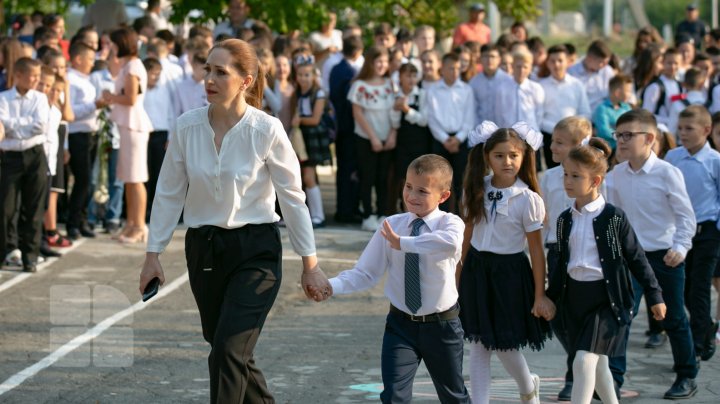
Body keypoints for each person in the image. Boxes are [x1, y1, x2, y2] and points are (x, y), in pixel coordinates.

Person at [139, 38, 330, 404]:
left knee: (227, 351)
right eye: (207, 69)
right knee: (228, 349)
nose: (208, 78)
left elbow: (293, 199)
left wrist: (311, 265)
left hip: (256, 252)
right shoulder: (186, 126)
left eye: (220, 72)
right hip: (204, 250)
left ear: (246, 80)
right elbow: (168, 193)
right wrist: (153, 254)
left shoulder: (267, 129)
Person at [326, 154, 470, 403]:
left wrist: (403, 243)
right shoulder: (392, 225)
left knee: (453, 396)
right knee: (393, 396)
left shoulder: (450, 223)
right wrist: (330, 286)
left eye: (422, 191)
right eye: (408, 186)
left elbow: (449, 244)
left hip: (442, 327)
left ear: (443, 196)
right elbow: (366, 272)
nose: (412, 196)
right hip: (400, 325)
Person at [547, 138, 666, 404]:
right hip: (575, 299)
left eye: (576, 176)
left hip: (607, 300)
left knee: (583, 360)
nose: (567, 181)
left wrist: (655, 295)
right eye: (566, 174)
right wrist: (547, 298)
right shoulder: (564, 219)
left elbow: (636, 258)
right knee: (597, 361)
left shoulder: (614, 217)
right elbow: (558, 262)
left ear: (596, 181)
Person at [605, 109, 699, 399]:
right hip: (631, 259)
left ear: (649, 139)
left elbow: (686, 217)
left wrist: (680, 247)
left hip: (665, 257)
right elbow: (612, 218)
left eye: (628, 135)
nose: (621, 141)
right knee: (622, 318)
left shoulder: (667, 173)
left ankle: (686, 375)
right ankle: (613, 382)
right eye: (618, 135)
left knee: (673, 318)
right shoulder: (615, 174)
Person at [458, 121, 553, 404]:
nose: (507, 161)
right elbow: (466, 235)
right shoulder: (475, 189)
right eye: (499, 155)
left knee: (504, 342)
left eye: (513, 155)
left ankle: (527, 387)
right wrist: (455, 278)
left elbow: (536, 251)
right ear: (487, 156)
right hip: (476, 270)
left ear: (524, 157)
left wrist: (539, 294)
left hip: (510, 274)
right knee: (478, 344)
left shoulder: (528, 199)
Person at [539, 116, 593, 401]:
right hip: (556, 250)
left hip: (584, 250)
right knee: (558, 314)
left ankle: (577, 376)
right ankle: (581, 363)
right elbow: (544, 219)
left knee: (581, 313)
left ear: (577, 145)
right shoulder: (548, 177)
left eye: (559, 143)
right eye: (552, 141)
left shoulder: (592, 175)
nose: (552, 147)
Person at [666, 105, 720, 361]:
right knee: (684, 289)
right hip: (679, 233)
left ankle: (700, 343)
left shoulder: (715, 161)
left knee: (699, 287)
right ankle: (706, 325)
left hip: (707, 232)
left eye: (690, 129)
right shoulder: (673, 157)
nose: (683, 133)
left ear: (706, 130)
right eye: (680, 128)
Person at [102, 27, 154, 244]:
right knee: (129, 178)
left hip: (134, 126)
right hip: (128, 126)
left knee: (136, 178)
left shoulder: (133, 66)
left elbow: (131, 98)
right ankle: (132, 223)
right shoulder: (128, 65)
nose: (111, 47)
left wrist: (111, 97)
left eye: (113, 43)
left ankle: (139, 225)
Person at [0, 57, 50, 272]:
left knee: (33, 207)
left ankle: (30, 254)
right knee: (6, 207)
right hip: (10, 157)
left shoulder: (40, 98)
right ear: (18, 75)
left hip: (34, 155)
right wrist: (21, 126)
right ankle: (7, 250)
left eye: (38, 76)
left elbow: (40, 126)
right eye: (33, 75)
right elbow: (2, 123)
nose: (36, 80)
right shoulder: (3, 98)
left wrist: (13, 126)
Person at [347, 45, 396, 232]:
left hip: (387, 138)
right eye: (378, 61)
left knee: (384, 178)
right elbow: (357, 113)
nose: (382, 65)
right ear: (371, 62)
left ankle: (383, 213)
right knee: (367, 177)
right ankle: (368, 215)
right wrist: (373, 138)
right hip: (366, 138)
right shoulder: (360, 85)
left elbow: (395, 111)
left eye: (385, 61)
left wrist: (392, 134)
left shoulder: (391, 83)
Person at [425, 52, 474, 213]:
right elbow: (431, 118)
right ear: (443, 69)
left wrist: (458, 139)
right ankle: (440, 217)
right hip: (440, 140)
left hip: (461, 140)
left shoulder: (466, 90)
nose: (454, 72)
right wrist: (445, 139)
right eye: (451, 68)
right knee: (440, 182)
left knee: (461, 182)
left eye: (457, 68)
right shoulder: (433, 90)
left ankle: (461, 219)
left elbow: (469, 118)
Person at [67, 42, 106, 240]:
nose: (93, 63)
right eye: (90, 59)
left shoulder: (86, 79)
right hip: (77, 135)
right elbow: (70, 112)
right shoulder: (70, 80)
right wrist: (94, 105)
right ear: (77, 59)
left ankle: (81, 220)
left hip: (91, 133)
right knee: (83, 181)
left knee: (88, 181)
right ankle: (72, 222)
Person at [329, 35, 364, 224]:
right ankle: (347, 209)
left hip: (341, 126)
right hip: (349, 127)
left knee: (345, 169)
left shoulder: (336, 69)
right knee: (349, 170)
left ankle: (345, 208)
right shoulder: (349, 72)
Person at [292, 57, 330, 228]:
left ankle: (318, 216)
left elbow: (315, 119)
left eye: (307, 75)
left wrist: (298, 120)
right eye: (300, 74)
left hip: (313, 136)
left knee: (309, 176)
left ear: (314, 76)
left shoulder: (319, 93)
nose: (303, 78)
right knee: (304, 176)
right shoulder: (297, 93)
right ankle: (312, 214)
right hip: (301, 137)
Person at [539, 45, 591, 170]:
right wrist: (557, 132)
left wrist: (575, 130)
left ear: (568, 62)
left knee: (575, 171)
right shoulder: (541, 86)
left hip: (574, 138)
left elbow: (585, 112)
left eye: (560, 60)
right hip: (550, 137)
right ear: (547, 63)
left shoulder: (577, 85)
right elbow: (538, 116)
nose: (556, 65)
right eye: (552, 61)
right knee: (553, 172)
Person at [390, 63, 431, 212]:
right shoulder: (396, 95)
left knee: (421, 178)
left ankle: (421, 210)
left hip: (420, 143)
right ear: (400, 77)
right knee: (403, 178)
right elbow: (394, 122)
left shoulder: (422, 94)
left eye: (414, 76)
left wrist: (407, 110)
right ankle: (407, 212)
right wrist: (396, 109)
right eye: (407, 75)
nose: (411, 79)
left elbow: (423, 120)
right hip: (402, 143)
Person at [143, 57, 174, 222]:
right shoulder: (139, 91)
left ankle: (156, 211)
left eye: (158, 74)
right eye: (153, 74)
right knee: (144, 174)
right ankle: (144, 209)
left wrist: (170, 136)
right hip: (143, 135)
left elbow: (171, 114)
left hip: (161, 135)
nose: (155, 77)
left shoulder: (164, 90)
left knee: (158, 174)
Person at [495, 50, 544, 132]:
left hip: (530, 134)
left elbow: (539, 114)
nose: (521, 70)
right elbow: (499, 115)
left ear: (530, 68)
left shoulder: (536, 88)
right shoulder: (502, 88)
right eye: (518, 66)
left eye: (525, 67)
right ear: (513, 66)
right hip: (509, 134)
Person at [469, 44, 512, 125]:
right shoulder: (474, 82)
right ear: (480, 59)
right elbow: (472, 110)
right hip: (480, 130)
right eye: (485, 56)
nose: (489, 60)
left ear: (499, 59)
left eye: (492, 56)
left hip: (504, 130)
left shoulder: (508, 81)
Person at [568, 40, 615, 112]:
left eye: (606, 62)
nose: (605, 65)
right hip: (580, 116)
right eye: (602, 62)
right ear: (589, 58)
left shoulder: (607, 71)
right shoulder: (572, 72)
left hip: (603, 115)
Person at [641, 48, 683, 127]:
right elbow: (646, 115)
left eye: (676, 63)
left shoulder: (679, 85)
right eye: (669, 63)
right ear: (662, 63)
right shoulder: (655, 87)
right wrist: (670, 120)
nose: (673, 67)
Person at [593, 74, 634, 152]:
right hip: (607, 150)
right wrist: (622, 136)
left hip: (625, 147)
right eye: (628, 91)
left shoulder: (626, 107)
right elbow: (603, 131)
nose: (630, 94)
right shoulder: (602, 109)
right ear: (617, 92)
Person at [668, 68, 708, 135]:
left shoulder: (677, 104)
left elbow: (671, 131)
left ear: (684, 84)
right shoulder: (710, 106)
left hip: (682, 143)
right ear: (702, 84)